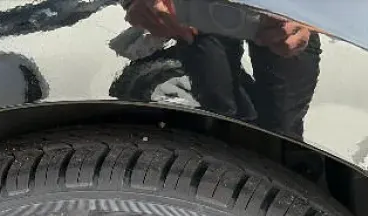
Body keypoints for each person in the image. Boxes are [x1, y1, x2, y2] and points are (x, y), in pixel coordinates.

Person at [125, 0, 320, 140]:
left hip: (283, 13)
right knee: (219, 111)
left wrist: (309, 12)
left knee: (283, 126)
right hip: (195, 13)